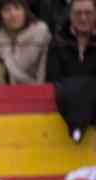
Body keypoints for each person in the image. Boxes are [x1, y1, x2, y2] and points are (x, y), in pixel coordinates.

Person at [46, 0, 96, 142]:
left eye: (88, 13)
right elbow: (53, 77)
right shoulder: (58, 41)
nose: (83, 18)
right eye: (78, 13)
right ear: (70, 15)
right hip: (62, 111)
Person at [0, 0, 50, 83]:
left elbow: (43, 73)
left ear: (25, 11)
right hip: (4, 91)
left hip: (35, 90)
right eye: (6, 10)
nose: (13, 14)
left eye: (17, 8)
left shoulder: (41, 32)